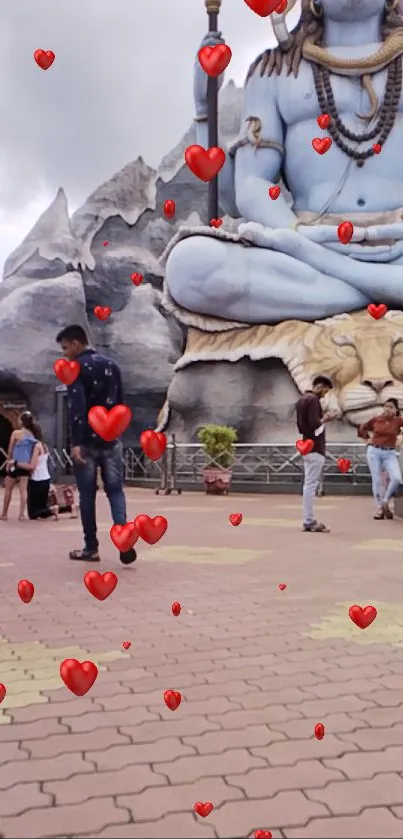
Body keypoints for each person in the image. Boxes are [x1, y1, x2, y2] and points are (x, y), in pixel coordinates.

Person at [55, 324, 137, 565]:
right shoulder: (112, 365)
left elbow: (77, 408)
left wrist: (77, 442)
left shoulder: (75, 369)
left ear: (77, 344)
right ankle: (123, 539)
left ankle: (91, 547)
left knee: (88, 495)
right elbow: (121, 402)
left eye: (65, 348)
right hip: (111, 439)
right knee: (115, 490)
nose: (64, 353)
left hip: (88, 442)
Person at [295, 375, 337, 532]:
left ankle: (308, 519)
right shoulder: (313, 400)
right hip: (315, 448)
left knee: (309, 484)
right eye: (325, 391)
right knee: (311, 485)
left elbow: (303, 427)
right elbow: (315, 426)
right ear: (320, 386)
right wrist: (326, 417)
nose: (324, 394)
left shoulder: (301, 400)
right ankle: (309, 520)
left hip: (307, 445)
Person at [358, 398, 403, 519]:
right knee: (377, 480)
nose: (388, 409)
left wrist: (401, 436)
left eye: (391, 407)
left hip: (390, 453)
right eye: (386, 406)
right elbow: (362, 428)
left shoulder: (398, 421)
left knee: (396, 478)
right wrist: (367, 439)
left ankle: (385, 501)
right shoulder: (376, 419)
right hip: (374, 451)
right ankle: (379, 508)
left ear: (396, 410)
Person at [1, 411, 39, 521]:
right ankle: (22, 514)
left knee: (8, 489)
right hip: (25, 465)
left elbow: (10, 449)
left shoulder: (16, 433)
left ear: (22, 421)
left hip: (15, 463)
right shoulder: (32, 435)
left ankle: (4, 513)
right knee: (23, 490)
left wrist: (9, 462)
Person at [27, 431, 58, 521]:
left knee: (33, 513)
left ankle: (53, 510)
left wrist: (19, 464)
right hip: (45, 477)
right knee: (42, 505)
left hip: (36, 478)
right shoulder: (44, 446)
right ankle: (60, 509)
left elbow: (33, 465)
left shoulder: (37, 447)